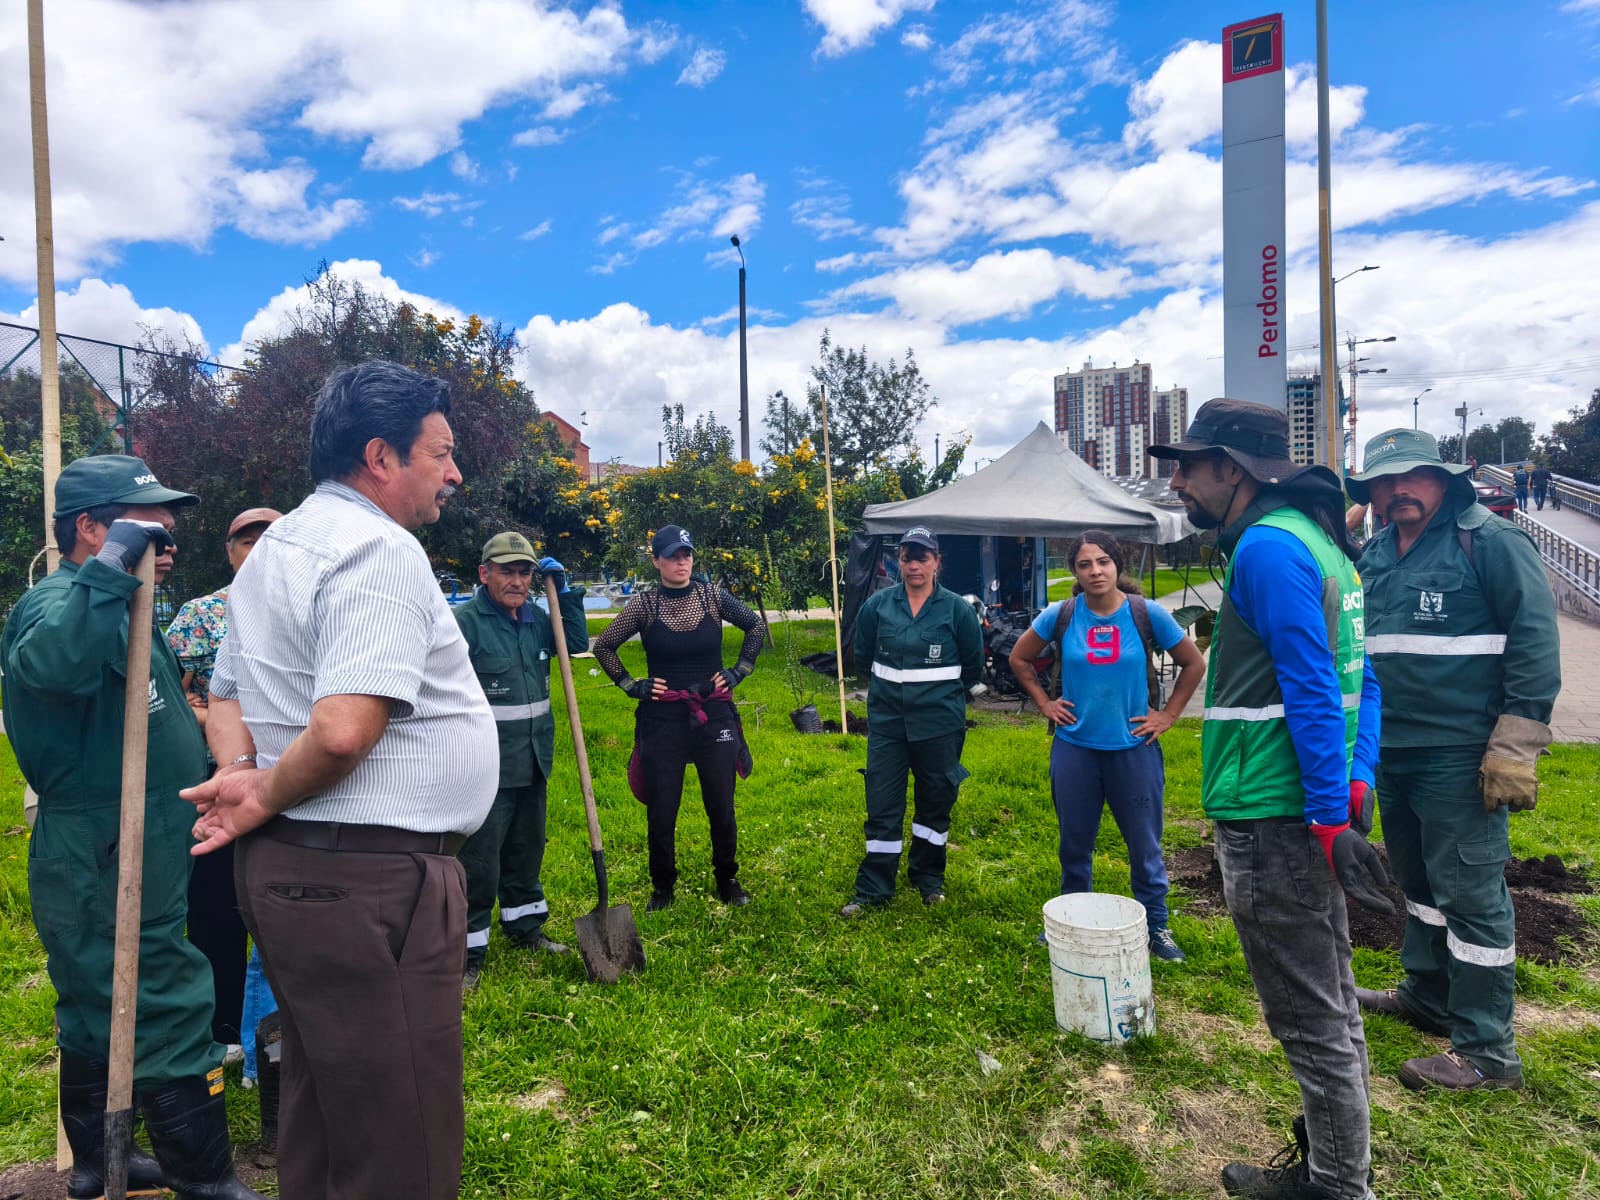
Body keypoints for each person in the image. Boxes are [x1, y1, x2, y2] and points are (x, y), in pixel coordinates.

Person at [182, 360, 499, 1200]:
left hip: (301, 876)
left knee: (327, 1108)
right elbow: (345, 729)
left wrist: (241, 767)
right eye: (441, 452)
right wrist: (261, 792)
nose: (455, 473)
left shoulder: (274, 555)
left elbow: (223, 696)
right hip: (371, 885)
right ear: (381, 457)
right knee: (402, 1143)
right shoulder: (376, 550)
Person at [1, 454, 263, 1199]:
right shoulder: (61, 603)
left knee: (95, 999)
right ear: (91, 530)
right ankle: (204, 1178)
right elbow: (50, 666)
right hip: (99, 844)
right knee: (169, 993)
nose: (169, 536)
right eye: (147, 524)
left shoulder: (127, 603)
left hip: (142, 828)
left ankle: (95, 1163)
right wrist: (115, 567)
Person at [1148, 399, 1388, 1200]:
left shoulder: (1265, 550)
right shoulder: (1326, 546)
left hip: (1273, 812)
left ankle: (1338, 1187)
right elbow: (1366, 677)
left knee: (1309, 1017)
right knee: (1336, 1002)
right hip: (1310, 802)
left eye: (1189, 466)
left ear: (1234, 470)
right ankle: (1334, 1163)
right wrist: (1354, 782)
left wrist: (1325, 816)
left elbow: (1315, 684)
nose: (1178, 482)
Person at [1347, 429, 1560, 1092]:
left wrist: (1516, 744)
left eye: (1410, 477)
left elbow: (1535, 642)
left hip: (1462, 754)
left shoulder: (1491, 542)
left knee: (1470, 896)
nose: (1395, 492)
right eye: (1381, 483)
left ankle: (1488, 1053)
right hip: (1394, 750)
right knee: (1419, 886)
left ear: (1446, 478)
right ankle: (1429, 996)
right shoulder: (1378, 552)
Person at [1008, 530, 1206, 961]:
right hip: (1075, 748)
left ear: (1116, 564)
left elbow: (1194, 663)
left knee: (1144, 843)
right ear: (1074, 571)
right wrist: (1044, 702)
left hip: (1134, 748)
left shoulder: (1146, 613)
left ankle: (1157, 925)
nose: (1095, 571)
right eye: (1084, 564)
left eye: (1103, 562)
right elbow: (1019, 658)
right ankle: (1071, 917)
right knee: (1075, 842)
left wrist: (1168, 715)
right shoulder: (1061, 615)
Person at [592, 524, 764, 910]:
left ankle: (727, 878)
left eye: (685, 554)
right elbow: (604, 646)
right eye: (671, 556)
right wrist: (630, 684)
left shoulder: (712, 598)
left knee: (721, 803)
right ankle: (663, 887)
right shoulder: (643, 605)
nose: (680, 562)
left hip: (714, 713)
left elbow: (756, 625)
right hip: (662, 717)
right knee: (662, 808)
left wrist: (740, 670)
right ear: (655, 561)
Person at [166, 506, 282, 1053]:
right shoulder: (202, 615)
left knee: (281, 902)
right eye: (246, 540)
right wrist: (213, 719)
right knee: (215, 909)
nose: (258, 548)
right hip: (219, 781)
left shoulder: (306, 608)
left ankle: (282, 1025)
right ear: (230, 552)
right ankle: (225, 1026)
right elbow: (168, 691)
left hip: (292, 778)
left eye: (271, 537)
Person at [455, 530, 589, 991]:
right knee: (480, 860)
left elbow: (573, 645)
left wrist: (565, 595)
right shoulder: (465, 623)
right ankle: (468, 952)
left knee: (526, 849)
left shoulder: (536, 617)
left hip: (534, 757)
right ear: (484, 573)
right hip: (484, 765)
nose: (516, 580)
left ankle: (526, 927)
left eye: (524, 572)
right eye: (507, 570)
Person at [841, 527, 984, 916]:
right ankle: (874, 889)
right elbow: (865, 658)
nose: (915, 565)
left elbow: (973, 667)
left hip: (939, 726)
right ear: (898, 561)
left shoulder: (957, 610)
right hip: (888, 725)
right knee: (882, 805)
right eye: (908, 557)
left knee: (935, 804)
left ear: (938, 561)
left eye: (923, 557)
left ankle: (928, 879)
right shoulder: (877, 607)